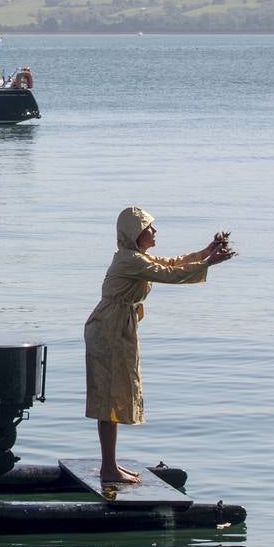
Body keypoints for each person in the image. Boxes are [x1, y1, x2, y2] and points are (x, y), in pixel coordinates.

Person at [84, 207, 235, 483]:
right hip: (109, 329)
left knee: (115, 395)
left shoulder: (136, 257)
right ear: (136, 233)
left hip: (116, 326)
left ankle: (110, 465)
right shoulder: (129, 260)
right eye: (150, 228)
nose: (154, 232)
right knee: (109, 397)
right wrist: (210, 262)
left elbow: (171, 264)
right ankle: (109, 469)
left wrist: (206, 252)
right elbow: (169, 275)